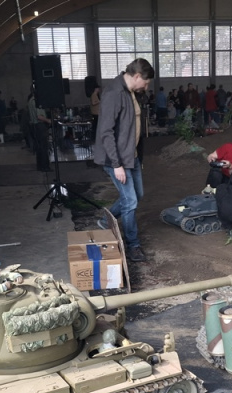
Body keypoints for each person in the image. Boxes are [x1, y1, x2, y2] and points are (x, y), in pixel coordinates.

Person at [93, 58, 154, 263]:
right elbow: (106, 132)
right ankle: (133, 245)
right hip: (117, 159)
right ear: (137, 76)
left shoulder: (130, 92)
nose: (146, 87)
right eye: (146, 82)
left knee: (138, 194)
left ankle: (105, 221)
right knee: (130, 201)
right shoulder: (114, 93)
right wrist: (116, 164)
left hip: (131, 156)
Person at [28, 90, 52, 172]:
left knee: (39, 147)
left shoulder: (31, 100)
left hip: (35, 126)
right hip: (40, 126)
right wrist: (49, 121)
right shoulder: (36, 101)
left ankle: (40, 166)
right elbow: (39, 116)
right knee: (44, 147)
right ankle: (45, 166)